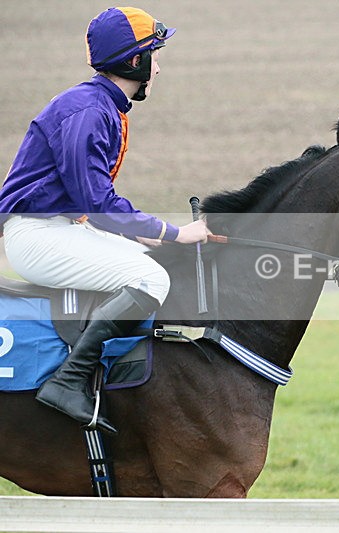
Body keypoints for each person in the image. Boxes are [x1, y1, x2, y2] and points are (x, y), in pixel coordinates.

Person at [0, 7, 208, 434]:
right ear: (136, 62)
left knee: (154, 264)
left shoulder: (100, 105)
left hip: (58, 228)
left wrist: (142, 237)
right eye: (155, 54)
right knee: (152, 281)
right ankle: (69, 380)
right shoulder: (90, 111)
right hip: (36, 236)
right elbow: (97, 201)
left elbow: (82, 200)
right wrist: (170, 231)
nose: (159, 65)